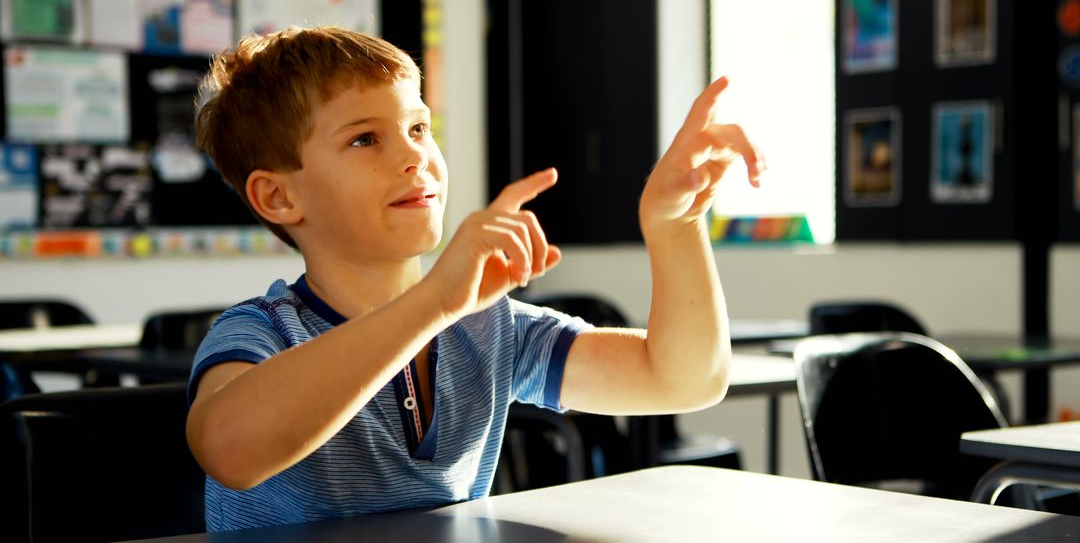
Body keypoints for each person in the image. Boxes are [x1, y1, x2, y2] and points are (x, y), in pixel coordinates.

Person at [186, 26, 764, 531]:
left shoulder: (486, 328)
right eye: (365, 139)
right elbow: (230, 449)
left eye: (418, 128)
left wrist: (675, 225)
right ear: (278, 195)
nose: (415, 157)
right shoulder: (261, 332)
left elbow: (682, 380)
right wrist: (435, 301)